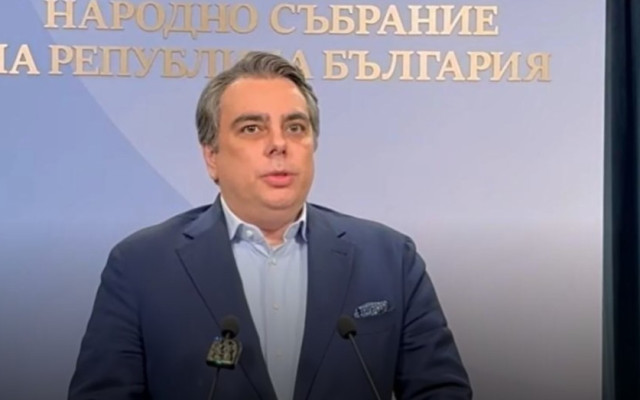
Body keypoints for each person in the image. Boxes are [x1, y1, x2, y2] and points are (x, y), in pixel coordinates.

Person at [68, 51, 472, 400]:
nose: (279, 144)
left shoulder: (390, 260)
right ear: (212, 156)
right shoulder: (140, 267)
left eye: (295, 127)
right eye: (252, 128)